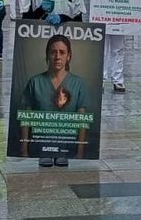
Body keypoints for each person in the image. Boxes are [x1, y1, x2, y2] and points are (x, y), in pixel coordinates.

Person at [18, 34, 91, 167]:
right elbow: (26, 119)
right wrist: (24, 150)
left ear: (69, 56)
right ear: (47, 55)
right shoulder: (35, 82)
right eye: (53, 52)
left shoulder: (79, 84)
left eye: (62, 52)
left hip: (67, 146)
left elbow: (82, 121)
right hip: (39, 146)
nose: (57, 56)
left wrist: (80, 153)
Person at [91, 0, 130, 92]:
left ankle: (118, 79)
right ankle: (101, 78)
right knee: (103, 50)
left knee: (118, 49)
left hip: (118, 19)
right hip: (103, 18)